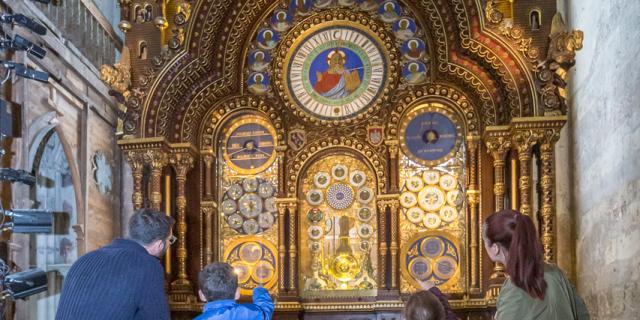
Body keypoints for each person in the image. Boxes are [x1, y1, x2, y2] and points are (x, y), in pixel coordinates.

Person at [56, 209, 175, 320]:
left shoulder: (84, 259)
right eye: (170, 240)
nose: (170, 244)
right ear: (159, 244)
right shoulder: (148, 265)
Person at [483, 209, 590, 320]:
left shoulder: (513, 289)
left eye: (485, 242)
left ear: (495, 248)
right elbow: (583, 315)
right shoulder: (556, 273)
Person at [195, 262, 275, 320]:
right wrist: (259, 290)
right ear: (237, 293)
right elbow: (265, 309)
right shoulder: (251, 313)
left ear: (201, 295)